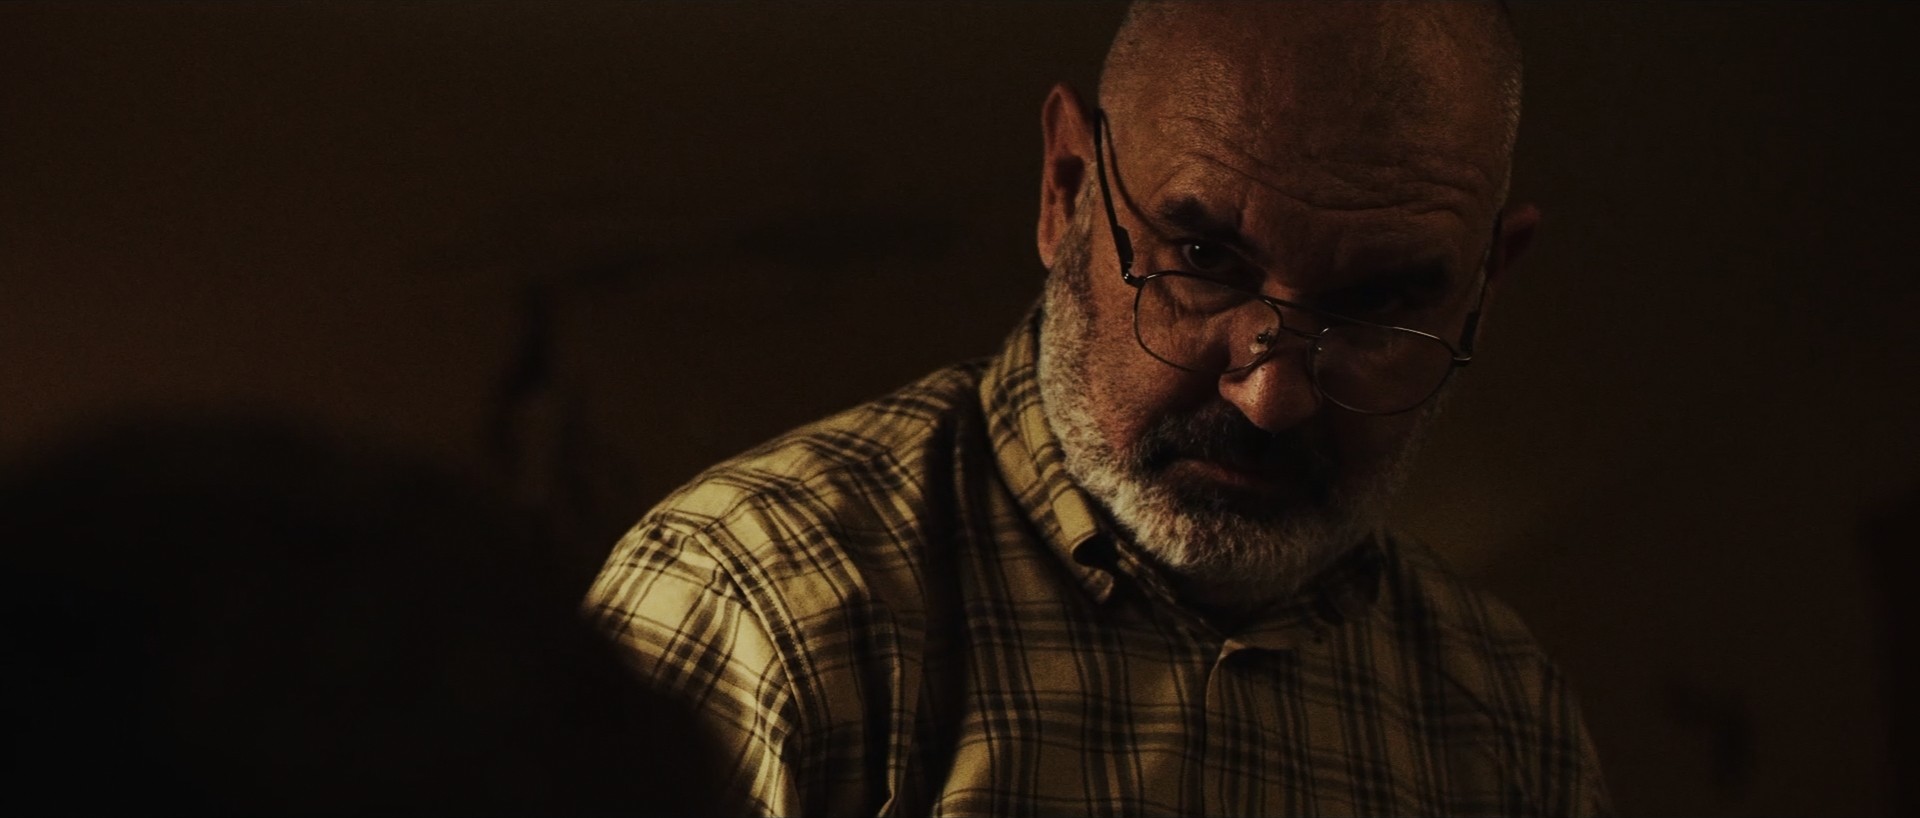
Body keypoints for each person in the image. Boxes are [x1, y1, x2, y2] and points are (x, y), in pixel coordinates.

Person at [587, 2, 1611, 815]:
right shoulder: (755, 607)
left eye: (1379, 303)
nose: (1271, 396)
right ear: (1067, 184)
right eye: (1203, 259)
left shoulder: (1505, 711)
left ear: (1485, 287)